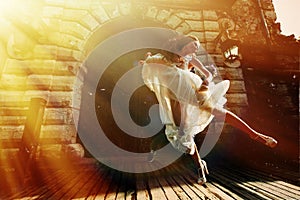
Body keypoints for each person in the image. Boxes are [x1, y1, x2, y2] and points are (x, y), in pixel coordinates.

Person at [141, 34, 277, 185]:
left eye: (197, 47)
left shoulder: (191, 59)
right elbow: (153, 62)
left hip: (192, 92)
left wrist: (206, 82)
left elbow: (207, 74)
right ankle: (200, 165)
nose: (196, 48)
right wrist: (146, 61)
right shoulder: (168, 55)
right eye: (195, 45)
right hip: (175, 96)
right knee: (183, 132)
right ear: (186, 43)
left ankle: (256, 135)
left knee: (217, 112)